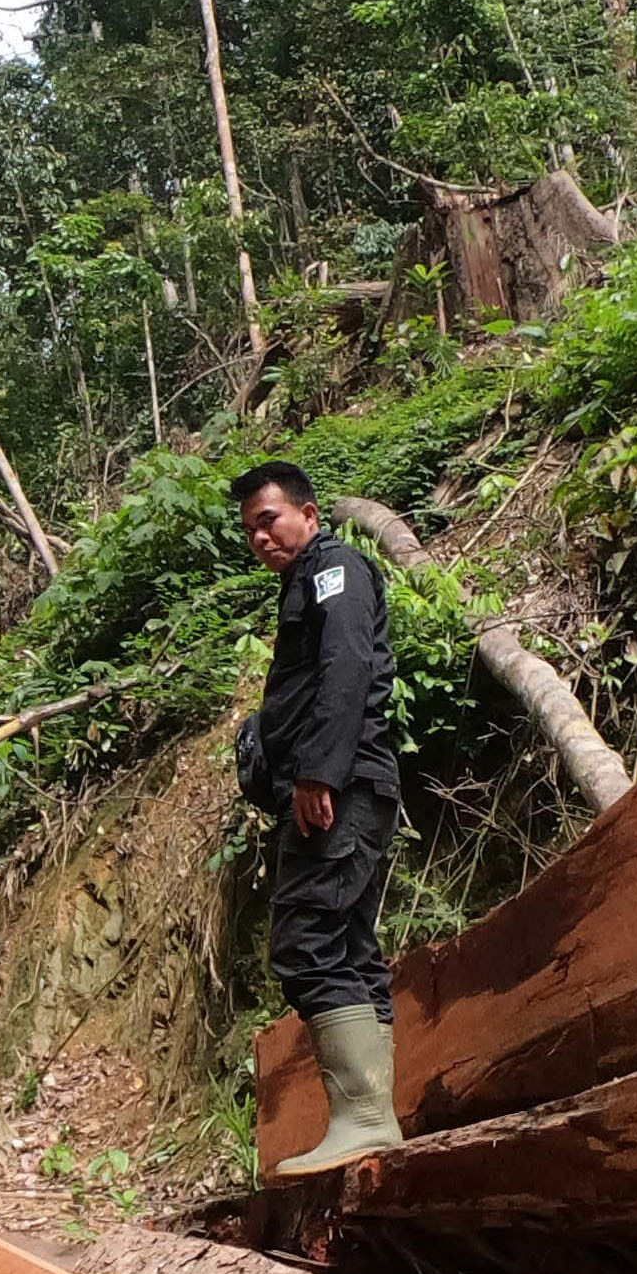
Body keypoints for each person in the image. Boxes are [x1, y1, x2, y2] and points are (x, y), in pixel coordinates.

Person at [230, 459, 402, 1177]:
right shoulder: (307, 582)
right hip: (344, 786)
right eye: (249, 531)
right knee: (351, 946)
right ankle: (377, 1118)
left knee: (306, 941)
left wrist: (317, 772)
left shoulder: (339, 571)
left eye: (269, 520)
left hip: (340, 788)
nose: (260, 537)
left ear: (307, 513)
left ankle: (362, 1117)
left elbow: (346, 667)